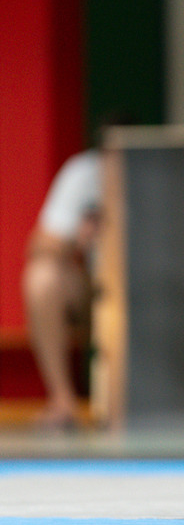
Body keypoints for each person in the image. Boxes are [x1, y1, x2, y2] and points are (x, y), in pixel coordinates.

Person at [21, 149, 102, 429]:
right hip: (97, 290)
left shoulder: (159, 175)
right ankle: (63, 400)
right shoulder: (85, 172)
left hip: (159, 286)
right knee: (42, 278)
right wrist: (80, 239)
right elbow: (39, 245)